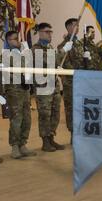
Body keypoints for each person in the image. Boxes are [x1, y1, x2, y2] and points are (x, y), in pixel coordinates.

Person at [32, 22, 65, 152]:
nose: (50, 34)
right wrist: (62, 51)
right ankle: (45, 141)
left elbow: (55, 64)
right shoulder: (36, 49)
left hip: (54, 84)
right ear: (40, 33)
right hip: (43, 86)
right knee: (45, 114)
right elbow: (49, 62)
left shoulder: (50, 47)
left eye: (50, 31)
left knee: (55, 112)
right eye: (47, 31)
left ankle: (51, 137)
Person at [4, 31, 36, 159]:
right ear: (8, 41)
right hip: (14, 91)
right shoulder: (7, 55)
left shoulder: (23, 53)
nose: (17, 41)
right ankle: (15, 146)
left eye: (18, 39)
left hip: (25, 90)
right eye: (14, 39)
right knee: (16, 119)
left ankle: (23, 144)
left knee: (27, 118)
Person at [57, 18, 83, 143]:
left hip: (83, 82)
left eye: (78, 25)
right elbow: (65, 65)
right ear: (68, 28)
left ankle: (82, 132)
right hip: (71, 83)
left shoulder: (80, 43)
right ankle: (73, 134)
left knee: (82, 107)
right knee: (71, 108)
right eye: (75, 25)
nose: (77, 28)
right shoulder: (63, 46)